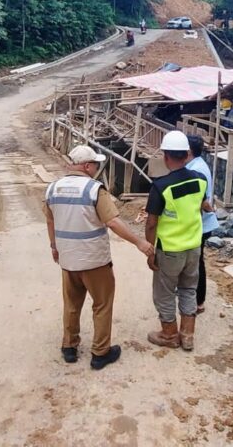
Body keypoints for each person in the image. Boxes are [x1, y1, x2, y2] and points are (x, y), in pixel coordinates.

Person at [45, 145, 155, 370]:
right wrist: (139, 242)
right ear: (86, 166)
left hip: (68, 260)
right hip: (94, 261)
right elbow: (113, 221)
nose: (96, 167)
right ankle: (100, 352)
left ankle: (69, 347)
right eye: (95, 164)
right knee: (102, 304)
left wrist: (54, 247)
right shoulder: (95, 189)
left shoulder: (53, 189)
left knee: (72, 304)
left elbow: (50, 221)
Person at [145, 131, 207, 351]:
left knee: (164, 293)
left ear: (165, 156)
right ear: (186, 154)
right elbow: (202, 206)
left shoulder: (161, 186)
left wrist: (150, 251)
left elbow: (152, 223)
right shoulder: (200, 180)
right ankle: (187, 335)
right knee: (189, 289)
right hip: (193, 247)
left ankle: (169, 334)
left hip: (169, 249)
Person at [185, 134, 217, 315]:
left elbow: (201, 202)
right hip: (200, 223)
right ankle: (193, 296)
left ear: (188, 151)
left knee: (196, 262)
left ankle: (198, 301)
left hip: (201, 224)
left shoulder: (197, 170)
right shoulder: (195, 166)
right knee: (194, 261)